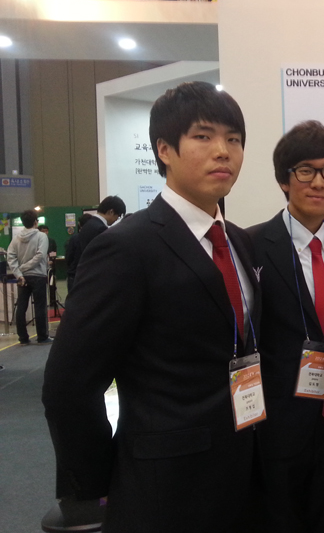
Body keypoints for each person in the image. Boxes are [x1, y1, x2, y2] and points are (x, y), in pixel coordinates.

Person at [42, 82, 266, 533]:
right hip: (163, 487)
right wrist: (102, 481)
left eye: (234, 139)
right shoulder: (127, 247)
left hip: (241, 471)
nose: (223, 151)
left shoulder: (239, 242)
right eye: (203, 136)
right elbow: (69, 385)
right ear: (164, 149)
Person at [247, 121, 324, 532]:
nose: (319, 182)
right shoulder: (251, 245)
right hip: (274, 426)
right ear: (284, 179)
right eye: (305, 170)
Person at [7, 210, 51, 344]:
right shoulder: (42, 237)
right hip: (38, 276)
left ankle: (23, 338)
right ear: (36, 222)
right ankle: (42, 337)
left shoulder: (16, 239)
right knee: (40, 307)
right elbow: (40, 256)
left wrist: (19, 273)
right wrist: (24, 268)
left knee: (21, 306)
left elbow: (10, 257)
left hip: (22, 277)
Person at [65, 213, 93, 293]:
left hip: (75, 273)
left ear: (79, 224)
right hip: (90, 273)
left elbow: (69, 257)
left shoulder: (74, 238)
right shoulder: (96, 237)